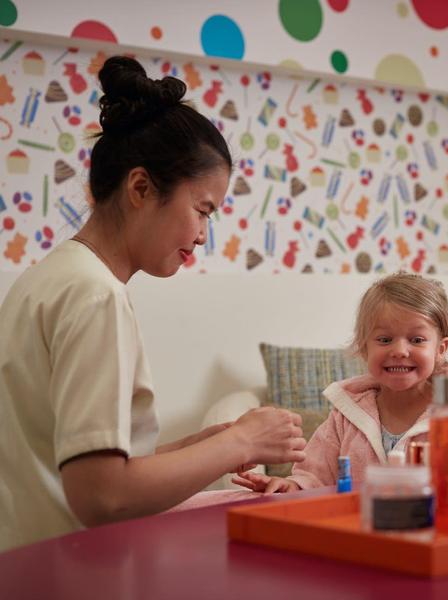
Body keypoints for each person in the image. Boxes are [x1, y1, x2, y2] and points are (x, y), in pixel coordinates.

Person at [0, 56, 306, 552]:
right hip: (68, 574)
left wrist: (202, 450)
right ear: (140, 188)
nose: (204, 236)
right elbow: (101, 495)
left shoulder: (45, 279)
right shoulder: (95, 295)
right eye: (203, 210)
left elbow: (72, 463)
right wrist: (242, 442)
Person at [233, 272, 448, 493]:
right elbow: (315, 475)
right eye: (385, 340)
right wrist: (293, 486)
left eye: (417, 340)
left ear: (440, 348)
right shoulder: (346, 414)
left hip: (431, 531)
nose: (399, 350)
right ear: (365, 347)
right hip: (357, 533)